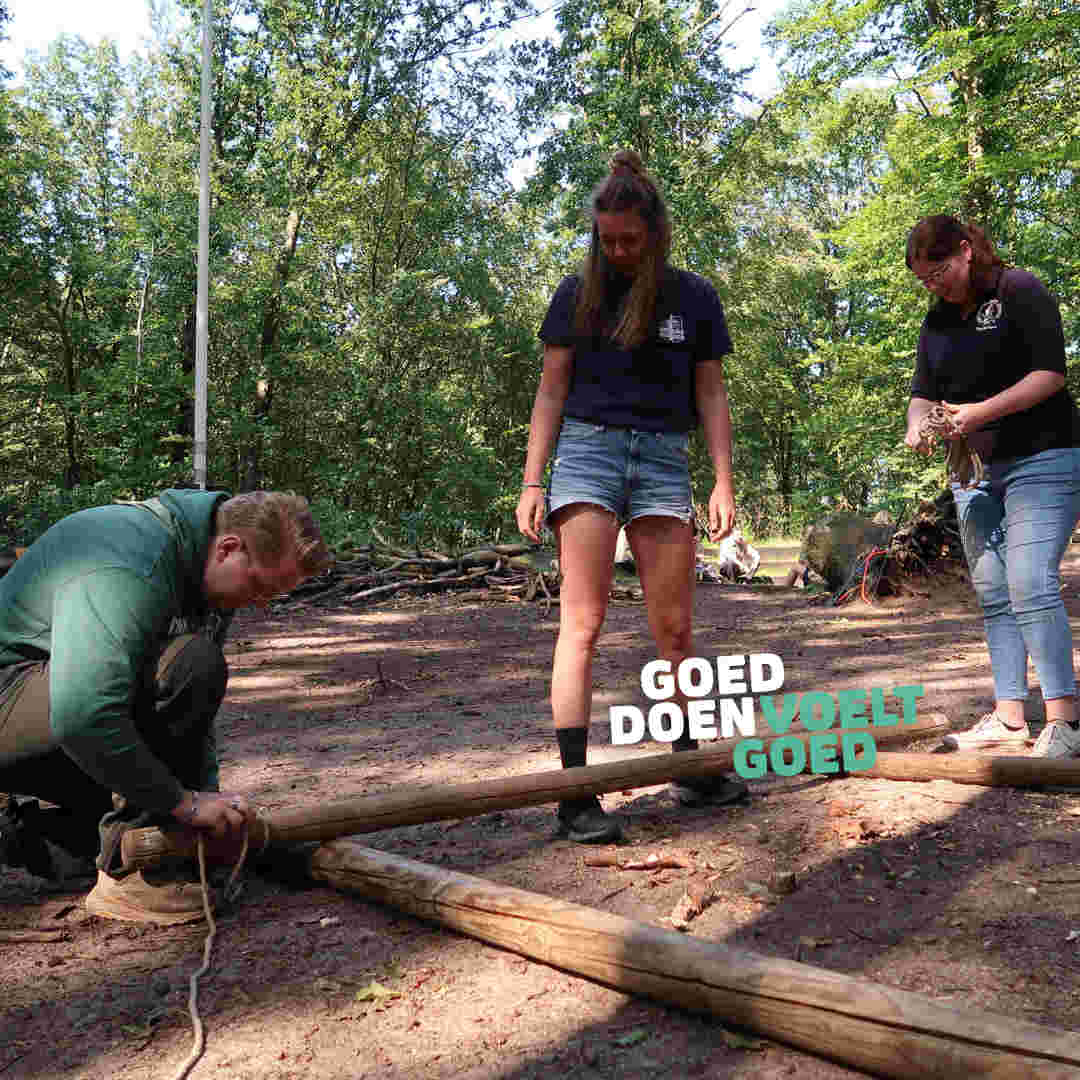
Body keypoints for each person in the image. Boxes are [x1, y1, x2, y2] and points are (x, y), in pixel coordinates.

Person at [516, 149, 748, 844]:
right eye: (605, 239)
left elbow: (710, 393)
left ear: (655, 234)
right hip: (586, 452)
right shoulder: (574, 295)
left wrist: (724, 477)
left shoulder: (695, 299)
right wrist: (534, 478)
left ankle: (691, 764)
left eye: (629, 240)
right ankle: (576, 792)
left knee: (674, 630)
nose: (616, 251)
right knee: (581, 626)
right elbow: (550, 391)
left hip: (662, 460)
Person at [0, 488, 331, 922]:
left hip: (49, 712)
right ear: (229, 548)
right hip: (18, 695)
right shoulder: (131, 562)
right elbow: (84, 714)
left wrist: (207, 807)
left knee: (145, 811)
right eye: (259, 588)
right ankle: (131, 879)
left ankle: (18, 835)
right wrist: (185, 804)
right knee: (190, 664)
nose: (261, 604)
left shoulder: (208, 573)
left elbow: (191, 715)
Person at [904, 214, 1080, 757]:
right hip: (975, 474)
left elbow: (1050, 375)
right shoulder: (936, 323)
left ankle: (1064, 721)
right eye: (924, 280)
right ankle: (1009, 719)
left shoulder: (1019, 290)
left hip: (1043, 459)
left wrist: (978, 413)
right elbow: (923, 394)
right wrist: (918, 426)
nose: (934, 285)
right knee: (995, 591)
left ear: (965, 251)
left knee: (1031, 581)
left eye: (939, 272)